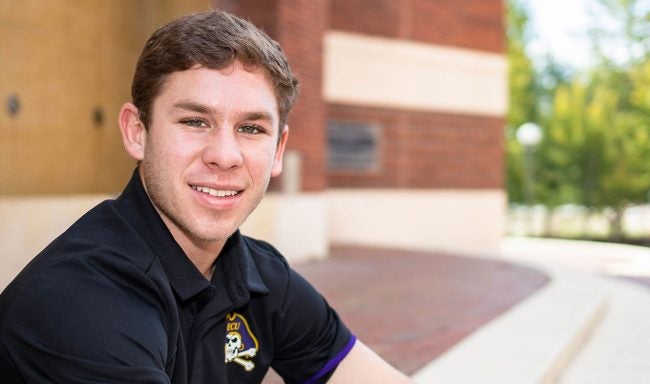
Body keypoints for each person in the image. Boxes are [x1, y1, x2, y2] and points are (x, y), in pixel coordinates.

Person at [0, 10, 411, 384]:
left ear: (278, 151)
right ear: (137, 132)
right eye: (195, 121)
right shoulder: (80, 300)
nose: (225, 156)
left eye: (251, 129)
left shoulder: (259, 277)